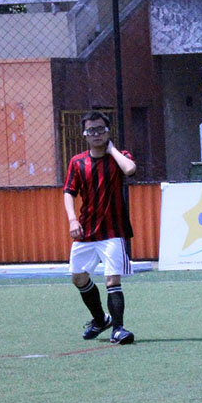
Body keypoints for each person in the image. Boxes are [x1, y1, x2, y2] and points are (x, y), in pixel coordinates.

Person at [63, 111, 137, 345]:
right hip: (86, 231)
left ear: (108, 131)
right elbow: (68, 192)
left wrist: (112, 149)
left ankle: (118, 329)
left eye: (100, 129)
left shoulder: (120, 157)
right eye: (91, 130)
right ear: (84, 134)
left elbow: (130, 169)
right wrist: (72, 220)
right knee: (78, 277)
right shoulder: (77, 162)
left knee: (112, 280)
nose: (95, 134)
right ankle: (100, 319)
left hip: (113, 231)